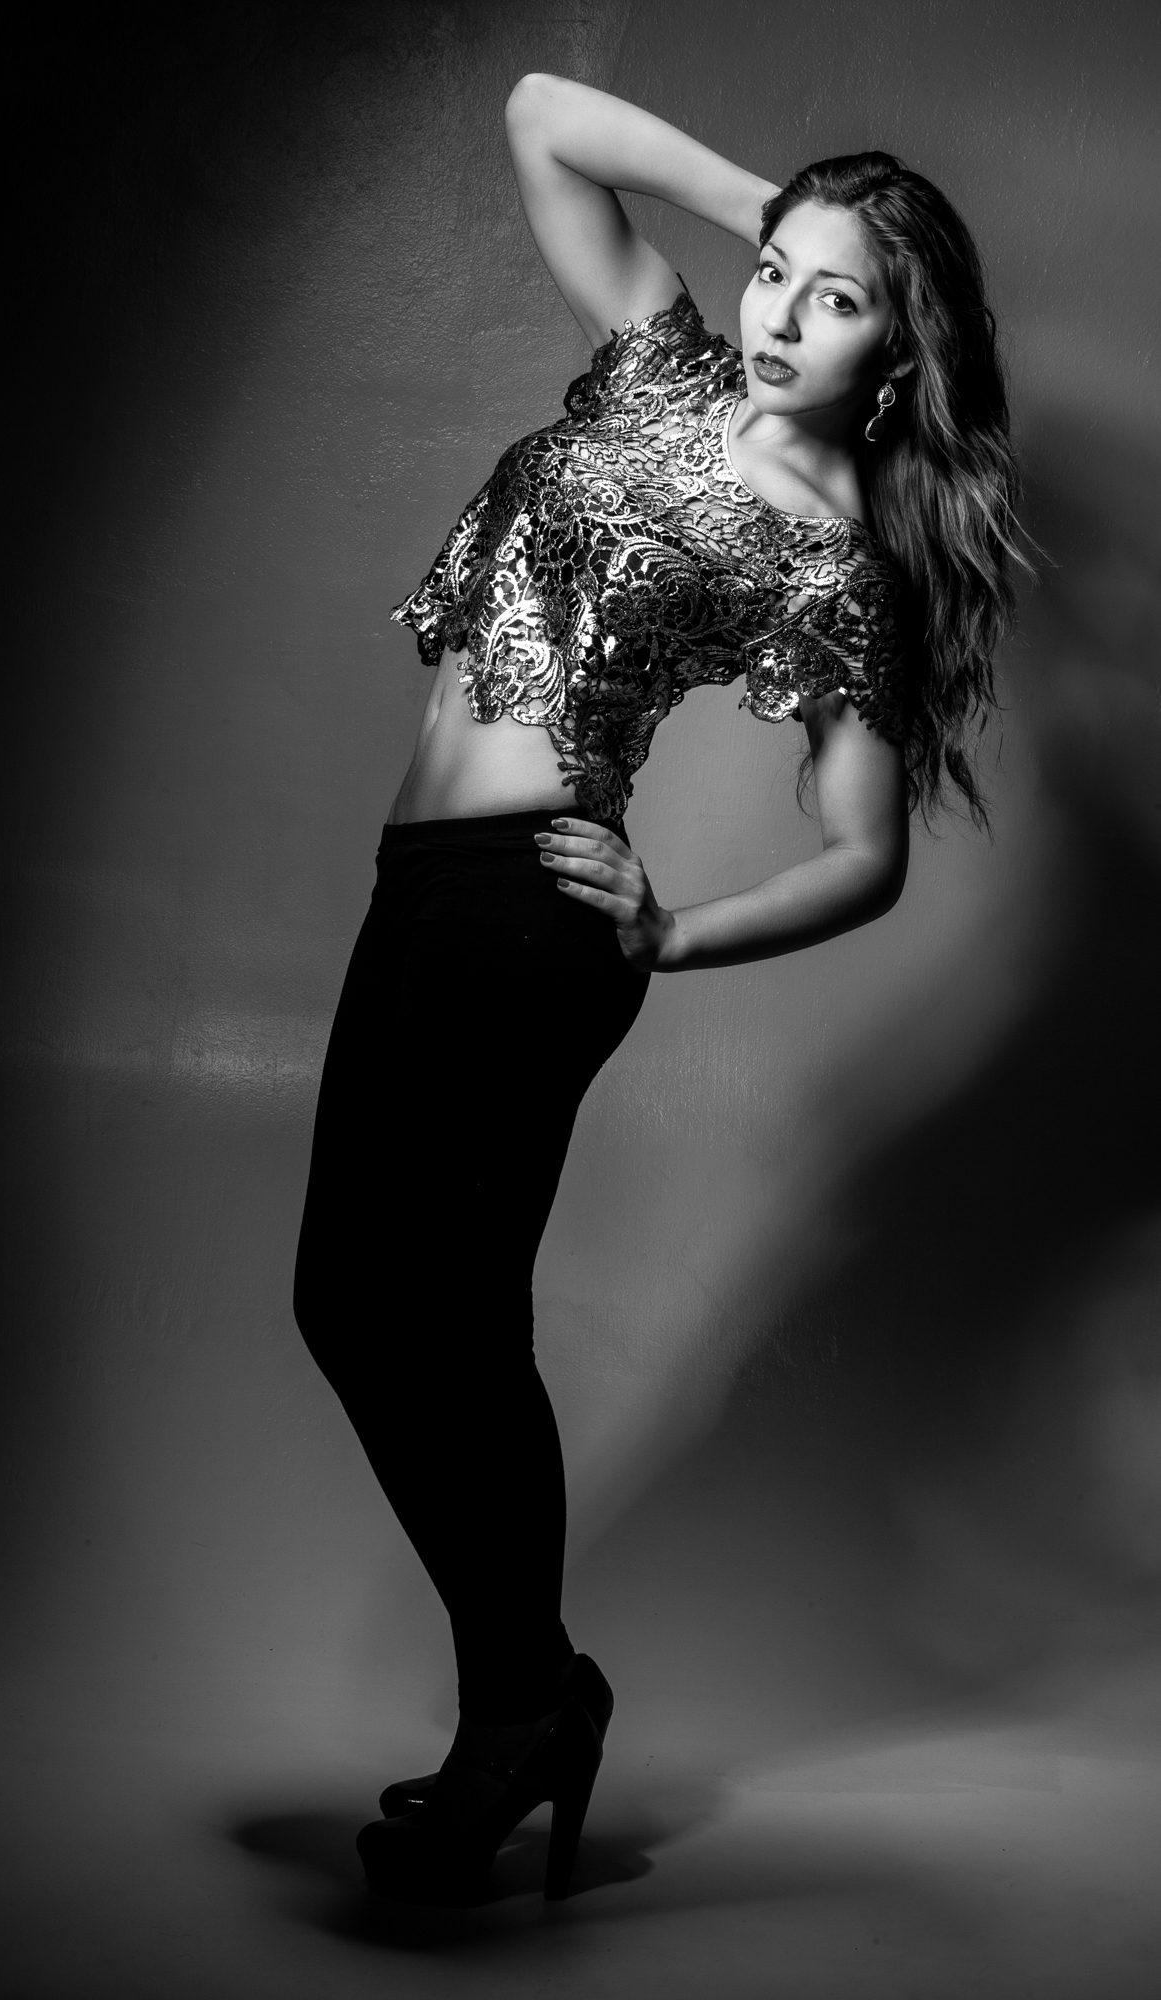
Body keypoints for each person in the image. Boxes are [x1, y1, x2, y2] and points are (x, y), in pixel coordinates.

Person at [293, 72, 1024, 1904]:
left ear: (897, 351)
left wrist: (671, 931)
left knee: (435, 1322)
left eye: (835, 301)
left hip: (524, 922)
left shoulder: (832, 563)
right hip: (422, 889)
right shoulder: (657, 370)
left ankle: (518, 1712)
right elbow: (543, 110)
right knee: (368, 1309)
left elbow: (865, 854)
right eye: (774, 273)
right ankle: (533, 1700)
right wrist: (788, 210)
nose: (777, 315)